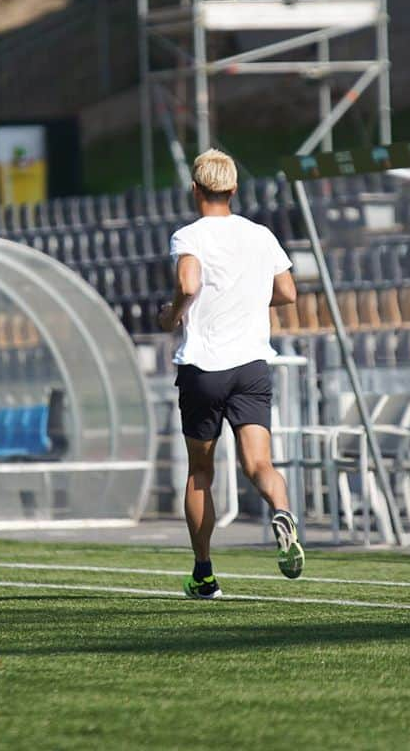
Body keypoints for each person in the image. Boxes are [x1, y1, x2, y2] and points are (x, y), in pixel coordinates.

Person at [158, 148, 304, 600]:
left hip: (204, 367)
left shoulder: (190, 236)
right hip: (251, 365)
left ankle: (203, 573)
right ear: (234, 189)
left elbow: (188, 284)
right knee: (260, 464)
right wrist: (246, 299)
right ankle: (281, 510)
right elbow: (287, 292)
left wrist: (173, 314)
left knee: (200, 471)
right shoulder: (260, 235)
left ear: (196, 190)